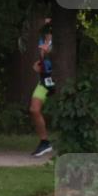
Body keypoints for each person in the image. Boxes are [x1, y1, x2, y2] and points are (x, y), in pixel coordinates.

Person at [29, 18, 54, 157]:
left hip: (59, 79)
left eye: (49, 19)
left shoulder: (62, 38)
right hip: (45, 79)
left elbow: (52, 53)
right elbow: (44, 57)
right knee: (34, 109)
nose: (46, 21)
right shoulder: (42, 39)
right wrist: (38, 66)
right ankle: (45, 142)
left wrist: (48, 49)